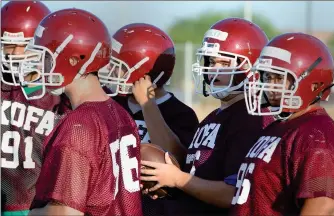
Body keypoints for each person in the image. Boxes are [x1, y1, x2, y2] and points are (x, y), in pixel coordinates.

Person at [140, 18, 273, 215]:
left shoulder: (249, 119)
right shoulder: (217, 115)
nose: (212, 69)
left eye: (224, 62)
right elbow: (191, 165)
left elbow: (234, 194)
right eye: (211, 61)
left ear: (251, 68)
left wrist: (178, 179)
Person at [19, 8, 142, 216]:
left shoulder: (80, 126)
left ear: (74, 60)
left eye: (46, 56)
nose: (41, 65)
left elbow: (67, 213)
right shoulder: (120, 113)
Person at [230, 32, 334, 215]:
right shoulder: (278, 127)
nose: (270, 86)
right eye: (267, 77)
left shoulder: (317, 135)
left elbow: (323, 206)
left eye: (278, 78)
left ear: (312, 84)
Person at [1, 2, 71, 216]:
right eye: (6, 46)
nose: (12, 54)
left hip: (41, 206)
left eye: (20, 45)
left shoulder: (62, 95)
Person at [99, 23, 199, 162]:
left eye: (119, 66)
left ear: (143, 73)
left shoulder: (181, 114)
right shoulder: (113, 103)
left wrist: (148, 105)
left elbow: (176, 158)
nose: (112, 71)